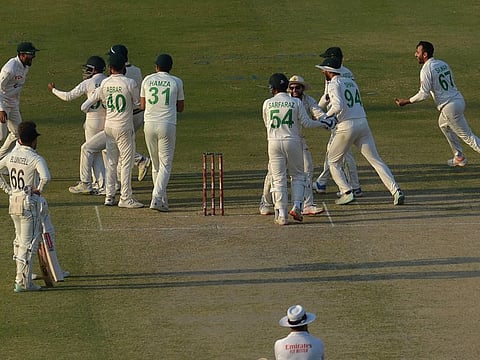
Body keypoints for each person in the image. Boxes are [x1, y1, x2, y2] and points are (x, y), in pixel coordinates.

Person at [317, 57, 405, 205]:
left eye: (324, 70)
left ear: (329, 71)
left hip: (346, 126)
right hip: (362, 123)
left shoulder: (333, 83)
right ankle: (396, 191)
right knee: (376, 161)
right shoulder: (351, 81)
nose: (323, 72)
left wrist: (325, 117)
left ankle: (346, 192)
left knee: (333, 162)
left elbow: (337, 106)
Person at [0, 122, 68, 292]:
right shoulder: (36, 158)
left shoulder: (12, 155)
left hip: (14, 202)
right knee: (28, 243)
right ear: (33, 140)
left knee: (19, 240)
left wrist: (8, 189)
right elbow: (46, 177)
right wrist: (39, 190)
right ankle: (23, 283)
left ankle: (22, 276)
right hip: (28, 203)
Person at [263, 73, 333, 225]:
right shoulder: (296, 103)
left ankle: (282, 215)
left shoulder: (267, 103)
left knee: (278, 178)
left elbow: (267, 123)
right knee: (298, 176)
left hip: (273, 142)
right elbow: (307, 123)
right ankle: (297, 207)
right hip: (293, 141)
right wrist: (323, 124)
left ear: (273, 89)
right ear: (286, 87)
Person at [395, 40, 480, 167]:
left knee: (469, 137)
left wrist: (405, 102)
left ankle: (460, 156)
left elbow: (423, 94)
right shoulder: (442, 64)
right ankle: (459, 157)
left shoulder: (426, 69)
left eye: (418, 52)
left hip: (449, 107)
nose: (415, 54)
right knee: (443, 125)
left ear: (425, 54)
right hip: (458, 101)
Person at [81, 53, 143, 208]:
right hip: (124, 127)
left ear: (110, 68)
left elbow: (91, 103)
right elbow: (138, 104)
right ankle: (125, 198)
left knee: (111, 162)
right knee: (126, 163)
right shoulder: (129, 83)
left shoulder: (104, 83)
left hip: (109, 127)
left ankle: (109, 196)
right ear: (124, 68)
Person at [48, 56, 107, 194]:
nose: (86, 71)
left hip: (92, 120)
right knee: (96, 151)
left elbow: (68, 96)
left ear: (94, 69)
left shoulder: (88, 83)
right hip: (107, 119)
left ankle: (90, 183)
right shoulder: (108, 81)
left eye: (88, 68)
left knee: (92, 151)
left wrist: (53, 90)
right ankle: (101, 183)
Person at [313, 47, 362, 197]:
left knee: (342, 154)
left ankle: (354, 186)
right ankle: (321, 182)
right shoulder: (348, 73)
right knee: (334, 152)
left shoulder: (333, 75)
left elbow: (328, 97)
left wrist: (320, 113)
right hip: (348, 115)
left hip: (340, 118)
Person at [140, 54, 185, 211]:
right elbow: (180, 107)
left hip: (149, 124)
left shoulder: (147, 80)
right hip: (167, 124)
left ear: (156, 67)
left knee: (156, 164)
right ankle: (157, 198)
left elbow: (143, 104)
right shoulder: (176, 81)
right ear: (170, 68)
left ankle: (162, 200)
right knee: (165, 165)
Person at [107, 44, 151, 180]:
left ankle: (138, 162)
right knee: (123, 145)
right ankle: (138, 162)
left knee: (118, 146)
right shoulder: (137, 70)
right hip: (139, 114)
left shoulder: (115, 74)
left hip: (125, 115)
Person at [0, 42, 39, 160]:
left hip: (13, 104)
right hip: (3, 105)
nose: (33, 56)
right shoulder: (9, 69)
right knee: (1, 136)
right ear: (21, 55)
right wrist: (1, 109)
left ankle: (3, 159)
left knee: (18, 133)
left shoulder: (25, 66)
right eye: (30, 54)